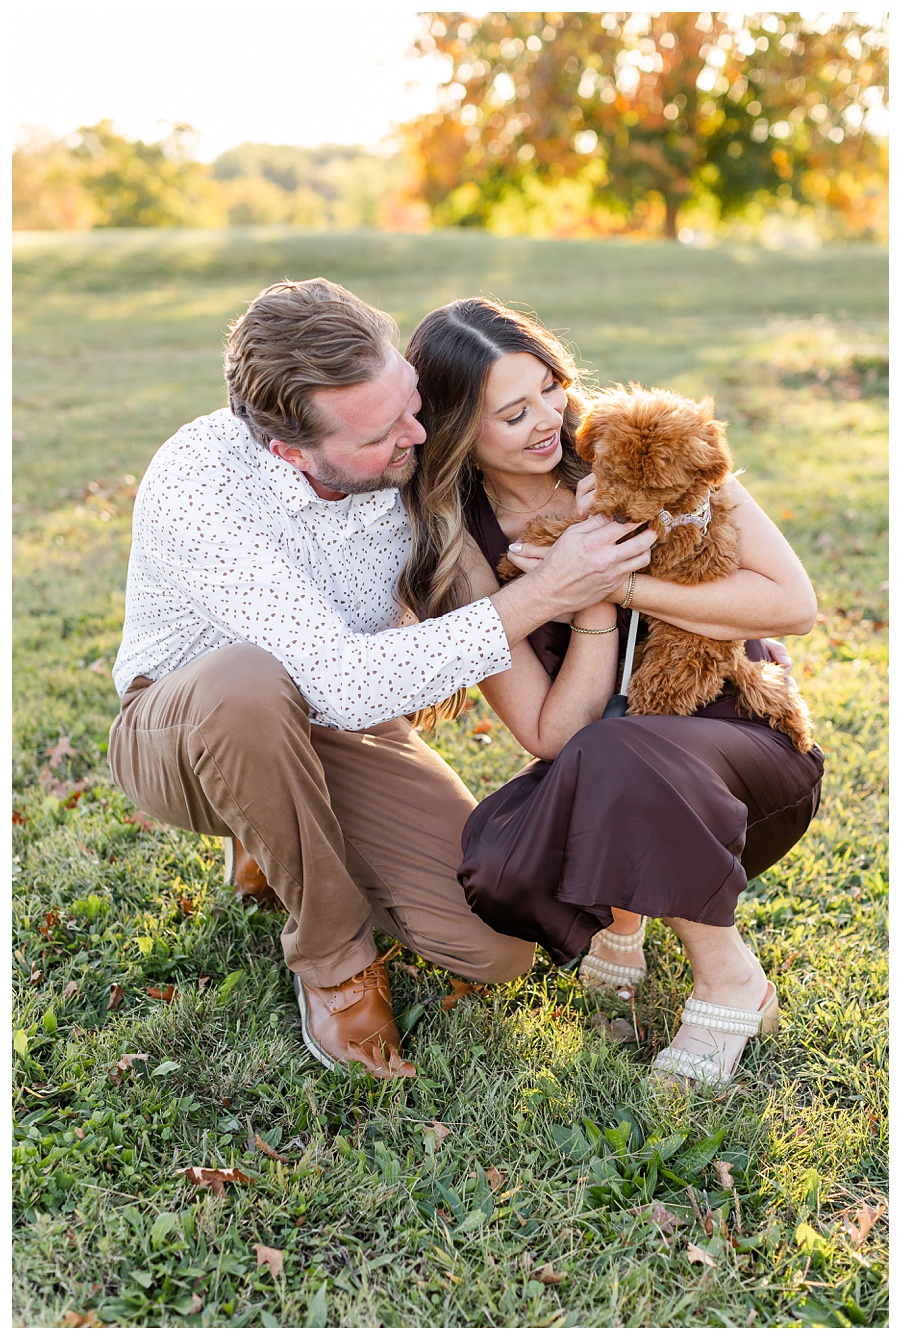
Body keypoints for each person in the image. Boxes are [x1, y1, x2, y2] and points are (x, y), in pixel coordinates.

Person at [107, 278, 655, 1080]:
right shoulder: (201, 484)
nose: (417, 435)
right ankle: (333, 962)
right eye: (380, 433)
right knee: (249, 682)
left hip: (340, 729)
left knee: (494, 948)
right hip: (189, 727)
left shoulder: (412, 448)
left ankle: (279, 837)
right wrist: (547, 593)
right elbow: (342, 682)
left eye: (410, 401)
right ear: (290, 451)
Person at [401, 297, 825, 1086]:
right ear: (457, 430)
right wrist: (582, 599)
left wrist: (620, 584)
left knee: (620, 748)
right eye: (512, 414)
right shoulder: (460, 544)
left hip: (743, 755)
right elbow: (550, 735)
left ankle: (731, 981)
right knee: (499, 866)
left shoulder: (645, 445)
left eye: (550, 389)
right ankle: (620, 920)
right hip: (610, 760)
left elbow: (791, 605)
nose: (548, 421)